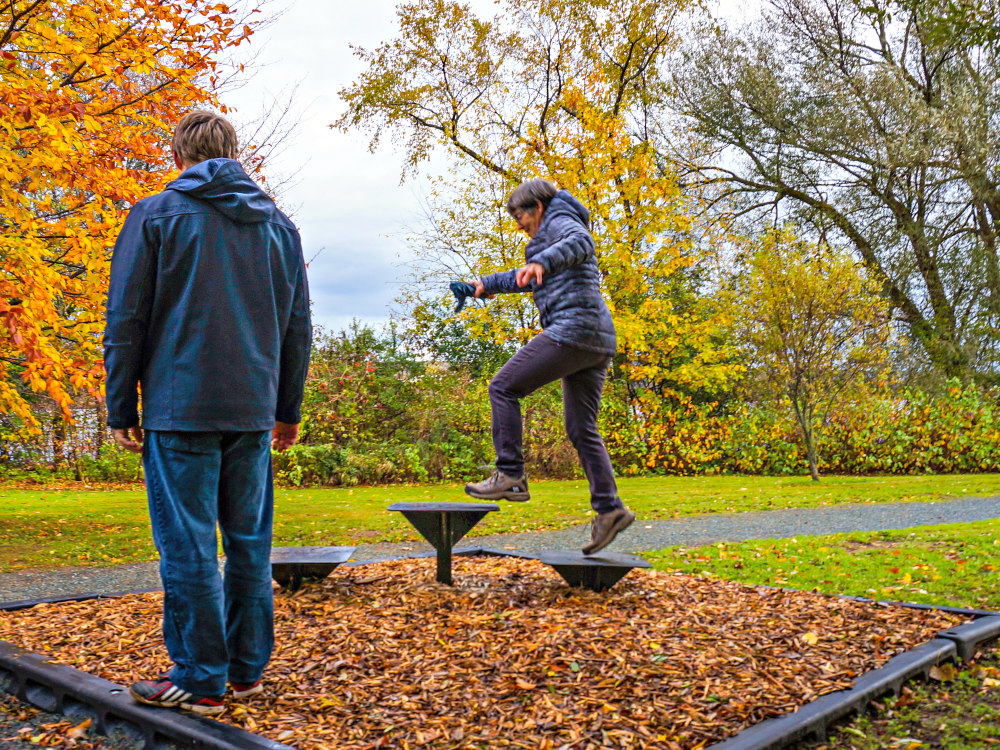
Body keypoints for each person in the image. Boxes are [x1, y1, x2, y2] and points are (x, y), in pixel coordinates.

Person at [103, 111, 311, 715]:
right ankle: (245, 671)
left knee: (188, 543)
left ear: (178, 156)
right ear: (234, 152)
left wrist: (122, 407)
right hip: (251, 409)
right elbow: (298, 326)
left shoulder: (156, 215)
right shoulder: (279, 226)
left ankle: (199, 677)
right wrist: (286, 409)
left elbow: (126, 320)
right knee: (248, 541)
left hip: (179, 405)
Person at [463, 178, 634, 555]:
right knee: (581, 428)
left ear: (537, 206)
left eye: (519, 215)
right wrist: (484, 285)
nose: (518, 223)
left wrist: (542, 259)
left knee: (503, 387)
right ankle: (610, 510)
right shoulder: (547, 236)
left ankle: (510, 474)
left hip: (574, 329)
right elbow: (527, 277)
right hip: (596, 338)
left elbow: (581, 244)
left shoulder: (560, 222)